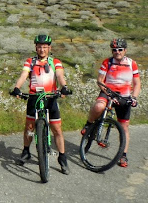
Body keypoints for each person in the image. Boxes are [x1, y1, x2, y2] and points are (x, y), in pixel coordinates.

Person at [10, 34, 71, 174]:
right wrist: (17, 88)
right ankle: (26, 152)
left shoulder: (55, 62)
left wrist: (64, 87)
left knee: (57, 129)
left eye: (44, 47)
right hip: (34, 97)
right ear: (35, 47)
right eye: (39, 47)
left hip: (50, 98)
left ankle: (62, 158)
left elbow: (60, 76)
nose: (42, 49)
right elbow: (24, 75)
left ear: (49, 48)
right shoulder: (30, 61)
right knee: (29, 127)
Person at [81, 38, 141, 168]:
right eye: (114, 50)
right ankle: (89, 124)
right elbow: (100, 80)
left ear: (125, 50)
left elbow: (137, 83)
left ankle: (123, 155)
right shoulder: (107, 62)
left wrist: (134, 97)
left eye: (120, 49)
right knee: (99, 106)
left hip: (124, 96)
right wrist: (108, 93)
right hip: (108, 92)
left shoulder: (132, 63)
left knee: (124, 127)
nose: (117, 52)